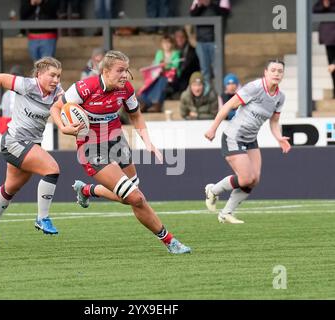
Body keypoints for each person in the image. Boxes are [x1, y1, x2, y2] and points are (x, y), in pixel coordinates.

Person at [50, 50, 191, 254]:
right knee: (136, 198)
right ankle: (170, 241)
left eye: (127, 70)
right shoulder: (84, 88)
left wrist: (148, 142)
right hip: (91, 148)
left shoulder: (125, 89)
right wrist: (63, 127)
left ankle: (88, 190)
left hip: (116, 140)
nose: (125, 75)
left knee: (133, 193)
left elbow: (136, 115)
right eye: (120, 70)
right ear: (106, 71)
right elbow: (56, 107)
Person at [0, 57, 76, 245]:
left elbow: (68, 109)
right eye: (52, 75)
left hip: (32, 144)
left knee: (11, 187)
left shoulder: (58, 94)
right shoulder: (27, 85)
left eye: (58, 76)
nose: (56, 80)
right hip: (14, 141)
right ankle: (42, 218)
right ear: (39, 74)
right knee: (51, 168)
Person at [204, 59, 291, 224]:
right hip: (233, 137)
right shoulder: (255, 88)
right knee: (245, 178)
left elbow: (274, 122)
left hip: (251, 140)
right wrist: (213, 128)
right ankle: (213, 190)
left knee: (254, 179)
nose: (276, 74)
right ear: (265, 72)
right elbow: (228, 106)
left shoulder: (280, 97)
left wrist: (279, 138)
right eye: (273, 70)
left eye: (280, 71)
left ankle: (226, 213)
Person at [138, 35, 181, 113]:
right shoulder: (159, 53)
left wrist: (166, 66)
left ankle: (156, 103)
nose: (166, 45)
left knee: (162, 80)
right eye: (164, 43)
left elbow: (175, 66)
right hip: (159, 75)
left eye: (168, 43)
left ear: (172, 44)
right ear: (162, 44)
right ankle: (145, 103)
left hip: (171, 78)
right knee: (151, 83)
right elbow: (156, 65)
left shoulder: (176, 53)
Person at [167, 28, 200, 99]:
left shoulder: (192, 51)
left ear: (186, 38)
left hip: (187, 79)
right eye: (177, 37)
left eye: (182, 37)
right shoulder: (171, 51)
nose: (179, 39)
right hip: (173, 78)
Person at [313, 0, 335, 98]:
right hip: (329, 38)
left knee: (333, 65)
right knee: (332, 67)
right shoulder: (320, 3)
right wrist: (325, 5)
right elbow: (314, 10)